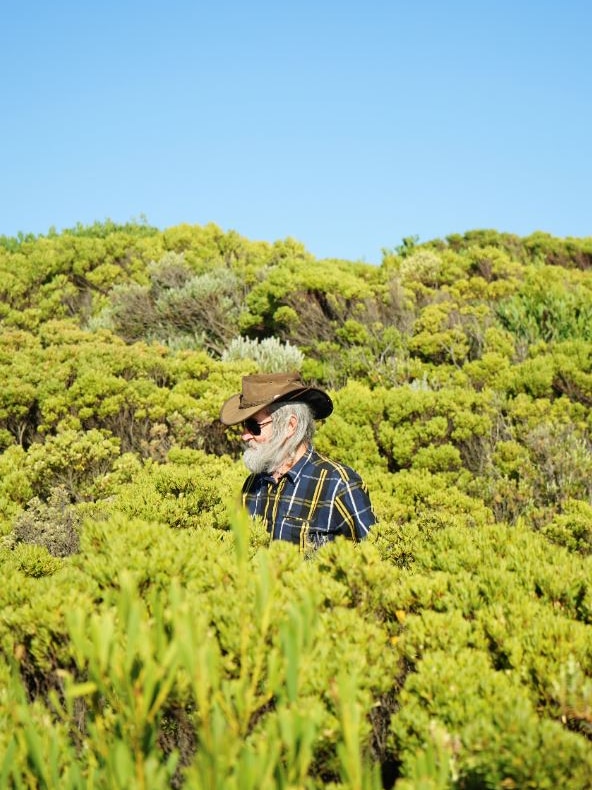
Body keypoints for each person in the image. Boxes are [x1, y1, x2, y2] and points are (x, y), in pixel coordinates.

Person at [220, 372, 376, 550]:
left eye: (254, 426)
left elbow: (375, 563)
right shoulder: (252, 485)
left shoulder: (339, 484)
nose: (245, 436)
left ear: (290, 426)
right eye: (244, 426)